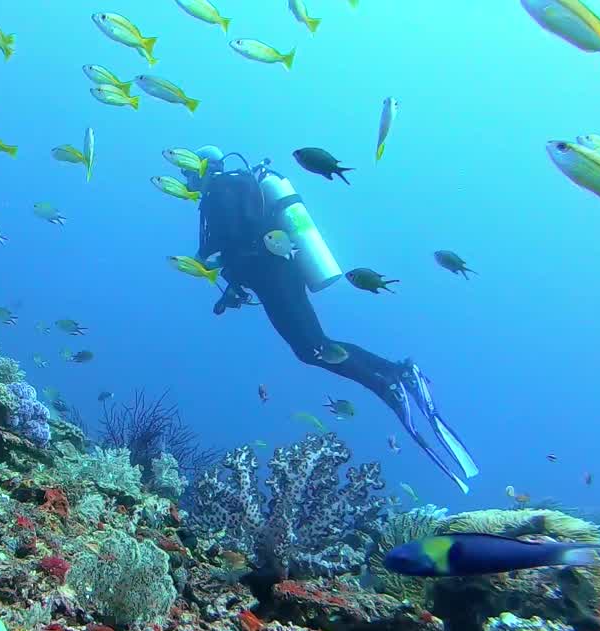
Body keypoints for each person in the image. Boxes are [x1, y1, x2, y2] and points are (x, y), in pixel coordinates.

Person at [185, 145, 479, 492]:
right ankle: (397, 373)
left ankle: (389, 384)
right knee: (315, 345)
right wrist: (231, 285)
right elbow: (243, 244)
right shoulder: (237, 188)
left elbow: (232, 242)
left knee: (313, 348)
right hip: (279, 274)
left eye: (190, 172)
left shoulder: (220, 192)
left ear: (204, 168)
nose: (189, 179)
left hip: (274, 276)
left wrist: (204, 261)